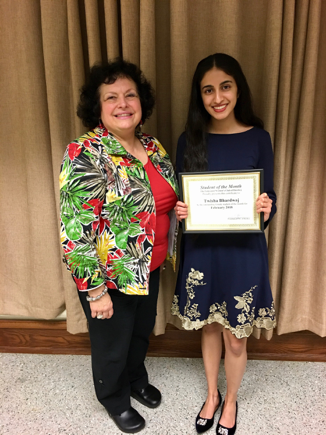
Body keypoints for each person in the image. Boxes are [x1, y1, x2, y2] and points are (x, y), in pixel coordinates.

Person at [59, 59, 179, 434]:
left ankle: (135, 378)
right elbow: (74, 229)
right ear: (98, 108)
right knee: (112, 343)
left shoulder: (153, 147)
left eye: (130, 95)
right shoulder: (85, 152)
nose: (123, 103)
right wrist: (94, 291)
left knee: (140, 333)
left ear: (142, 102)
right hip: (109, 276)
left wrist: (183, 209)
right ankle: (113, 397)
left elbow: (161, 200)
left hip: (149, 265)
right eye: (111, 97)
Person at [171, 53, 277, 435]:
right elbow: (181, 198)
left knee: (236, 337)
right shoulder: (189, 140)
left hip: (245, 253)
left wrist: (267, 205)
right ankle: (212, 395)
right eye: (208, 90)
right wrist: (180, 211)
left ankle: (231, 401)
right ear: (199, 96)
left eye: (225, 86)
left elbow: (270, 197)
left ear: (238, 89)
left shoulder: (259, 137)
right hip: (203, 251)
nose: (218, 97)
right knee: (210, 329)